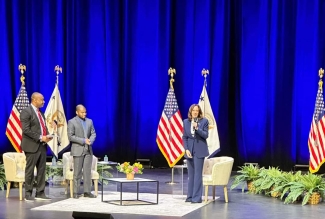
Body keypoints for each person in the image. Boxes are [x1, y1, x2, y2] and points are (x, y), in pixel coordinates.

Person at [20, 92, 53, 201]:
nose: (43, 101)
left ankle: (40, 192)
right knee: (30, 170)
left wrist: (47, 136)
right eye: (41, 100)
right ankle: (28, 194)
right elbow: (26, 130)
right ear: (34, 100)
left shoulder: (41, 113)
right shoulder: (26, 112)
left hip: (42, 146)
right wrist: (40, 137)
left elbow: (42, 128)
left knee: (42, 170)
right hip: (31, 146)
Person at [67, 104, 96, 199]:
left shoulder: (89, 121)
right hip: (78, 150)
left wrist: (90, 141)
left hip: (88, 150)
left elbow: (93, 133)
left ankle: (87, 191)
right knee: (77, 172)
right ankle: (75, 192)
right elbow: (71, 137)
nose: (84, 114)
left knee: (87, 172)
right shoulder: (71, 122)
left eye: (85, 112)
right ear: (77, 112)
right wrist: (83, 140)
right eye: (82, 112)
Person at [182, 104, 209, 203]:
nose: (195, 112)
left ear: (199, 112)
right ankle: (190, 196)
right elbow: (185, 137)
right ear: (191, 112)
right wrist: (186, 149)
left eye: (197, 110)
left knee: (198, 175)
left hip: (199, 150)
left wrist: (197, 128)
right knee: (191, 175)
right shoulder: (185, 122)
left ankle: (196, 198)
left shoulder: (204, 121)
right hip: (189, 151)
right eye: (193, 110)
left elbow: (205, 135)